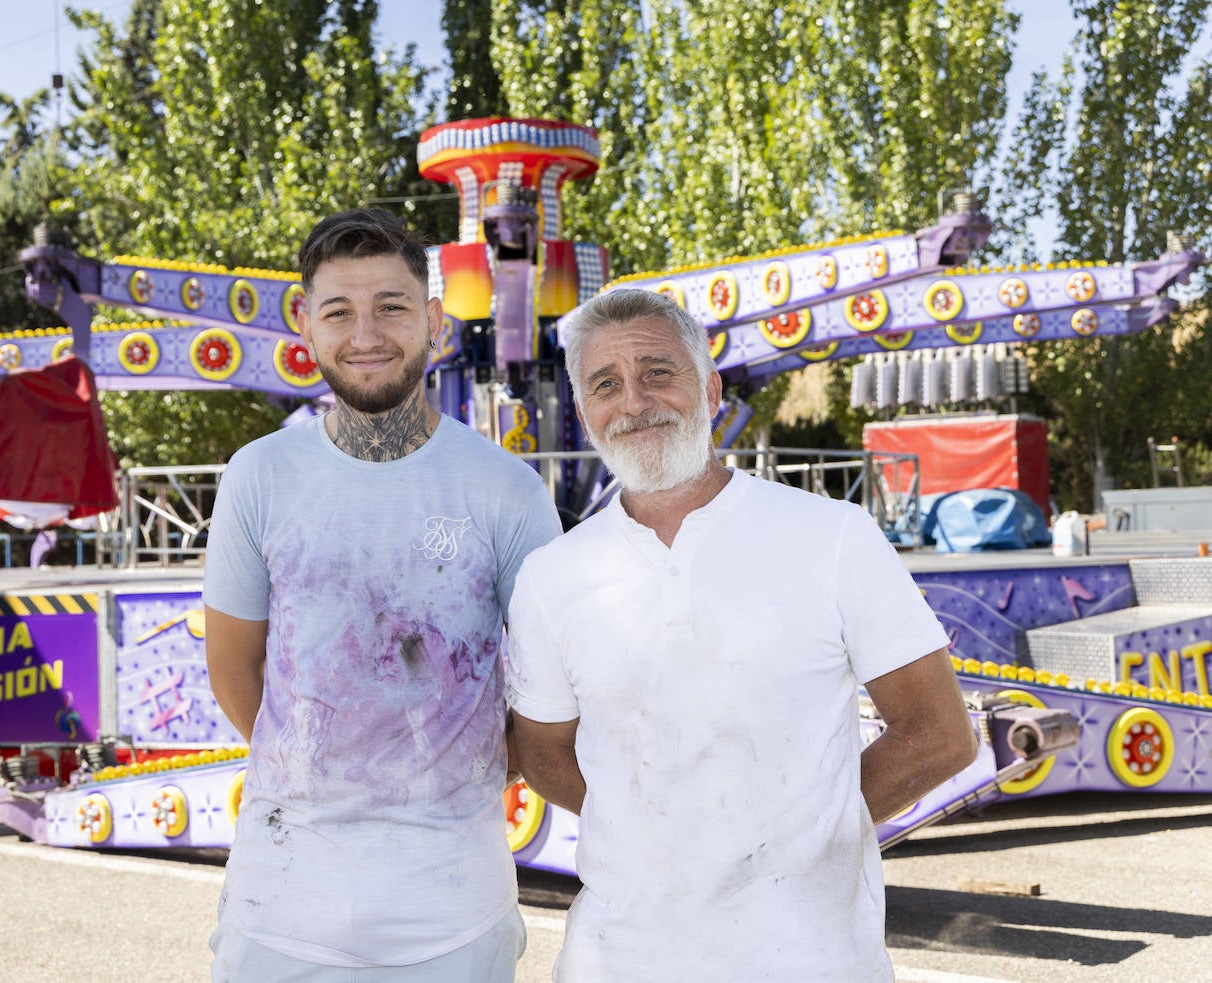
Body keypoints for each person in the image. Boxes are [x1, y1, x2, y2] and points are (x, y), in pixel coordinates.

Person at [505, 288, 978, 982]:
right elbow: (543, 756)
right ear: (583, 413)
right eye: (606, 384)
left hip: (812, 961)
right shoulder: (552, 578)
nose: (634, 401)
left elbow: (940, 733)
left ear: (710, 387)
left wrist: (796, 831)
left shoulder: (834, 538)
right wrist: (663, 826)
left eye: (658, 371)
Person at [203, 207, 562, 982]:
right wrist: (319, 758)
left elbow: (551, 689)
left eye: (391, 306)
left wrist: (445, 772)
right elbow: (237, 674)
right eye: (339, 310)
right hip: (282, 908)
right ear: (305, 325)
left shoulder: (506, 490)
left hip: (455, 914)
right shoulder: (257, 476)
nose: (366, 332)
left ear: (433, 320)